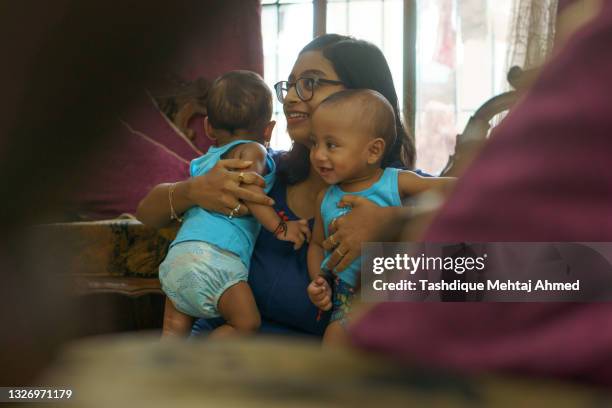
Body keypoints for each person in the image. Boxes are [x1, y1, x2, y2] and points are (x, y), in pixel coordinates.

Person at [136, 34, 416, 336]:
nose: (292, 97)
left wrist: (394, 222)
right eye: (291, 84)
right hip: (207, 361)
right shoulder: (265, 169)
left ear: (365, 96)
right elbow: (147, 213)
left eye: (310, 83)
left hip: (296, 375)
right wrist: (191, 191)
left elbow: (470, 280)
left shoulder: (399, 191)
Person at [157, 70, 310, 338]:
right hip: (217, 259)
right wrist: (282, 228)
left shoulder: (203, 162)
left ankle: (169, 374)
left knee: (173, 331)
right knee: (246, 324)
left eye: (309, 83)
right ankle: (202, 360)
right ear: (268, 130)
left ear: (207, 127)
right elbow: (250, 190)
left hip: (179, 255)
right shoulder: (253, 151)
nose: (293, 97)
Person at [306, 90, 452, 344]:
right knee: (333, 345)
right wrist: (319, 280)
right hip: (347, 301)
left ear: (373, 151)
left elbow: (460, 189)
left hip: (399, 296)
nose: (318, 154)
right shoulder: (324, 198)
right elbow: (318, 244)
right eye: (314, 143)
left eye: (331, 145)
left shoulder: (395, 182)